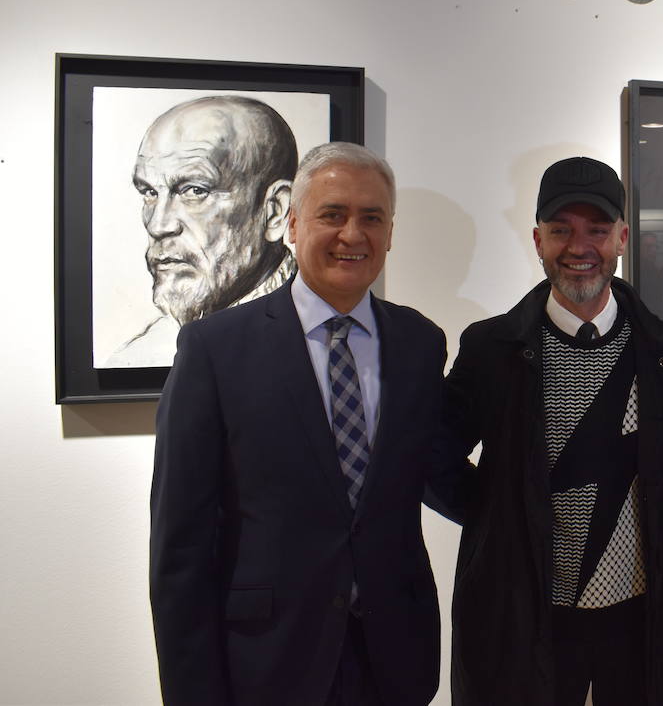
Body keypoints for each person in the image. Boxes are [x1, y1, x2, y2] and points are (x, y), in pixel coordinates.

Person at [150, 142, 448, 706]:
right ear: (291, 224)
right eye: (332, 214)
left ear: (390, 232)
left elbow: (429, 470)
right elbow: (180, 548)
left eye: (372, 218)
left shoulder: (420, 342)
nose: (352, 234)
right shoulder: (215, 349)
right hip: (268, 661)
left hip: (394, 657)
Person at [440, 157, 663, 706]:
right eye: (561, 231)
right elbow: (435, 460)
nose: (579, 248)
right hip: (527, 617)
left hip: (641, 619)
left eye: (597, 230)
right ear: (537, 240)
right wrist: (499, 518)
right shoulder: (491, 349)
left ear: (622, 237)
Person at [112, 95, 298, 366]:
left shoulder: (322, 337)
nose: (158, 225)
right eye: (150, 193)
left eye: (195, 190)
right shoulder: (134, 357)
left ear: (275, 211)